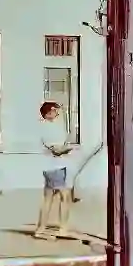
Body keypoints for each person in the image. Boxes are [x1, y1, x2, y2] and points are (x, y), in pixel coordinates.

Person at [35, 101, 76, 236]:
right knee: (64, 197)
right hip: (53, 166)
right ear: (48, 113)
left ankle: (41, 228)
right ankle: (62, 228)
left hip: (57, 166)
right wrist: (67, 149)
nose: (57, 113)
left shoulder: (54, 127)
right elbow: (55, 149)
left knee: (49, 197)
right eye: (54, 110)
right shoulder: (45, 128)